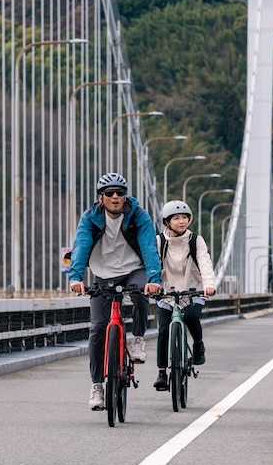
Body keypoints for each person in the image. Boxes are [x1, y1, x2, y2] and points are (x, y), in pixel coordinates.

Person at [67, 172, 162, 410]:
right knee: (98, 329)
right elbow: (81, 246)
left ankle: (138, 339)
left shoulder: (138, 216)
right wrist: (76, 277)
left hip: (133, 269)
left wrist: (154, 278)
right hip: (103, 274)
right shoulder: (90, 218)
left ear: (126, 196)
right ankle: (97, 386)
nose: (116, 197)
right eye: (109, 193)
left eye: (120, 192)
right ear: (101, 197)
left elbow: (149, 247)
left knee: (141, 292)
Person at [153, 200, 216, 391]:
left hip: (192, 289)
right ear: (167, 222)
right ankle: (162, 373)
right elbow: (153, 264)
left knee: (191, 316)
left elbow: (204, 262)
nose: (181, 221)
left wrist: (209, 285)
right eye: (176, 218)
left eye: (185, 217)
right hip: (167, 292)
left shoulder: (195, 240)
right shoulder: (159, 241)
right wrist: (152, 284)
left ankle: (198, 345)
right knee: (163, 331)